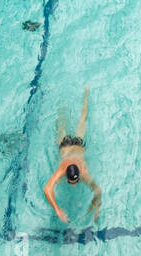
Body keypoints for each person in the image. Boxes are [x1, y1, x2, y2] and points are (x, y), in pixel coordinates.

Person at [43, 88, 102, 225]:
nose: (74, 185)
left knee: (65, 119)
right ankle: (85, 93)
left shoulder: (80, 173)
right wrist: (57, 210)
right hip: (72, 145)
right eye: (73, 182)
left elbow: (98, 191)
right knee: (81, 117)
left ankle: (70, 96)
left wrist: (96, 206)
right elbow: (97, 190)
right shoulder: (68, 171)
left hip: (71, 146)